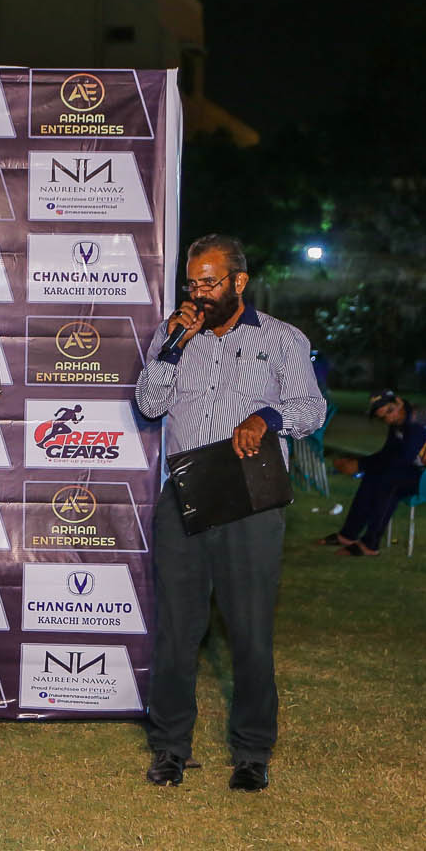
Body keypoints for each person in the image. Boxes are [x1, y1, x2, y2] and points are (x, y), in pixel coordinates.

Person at [133, 234, 326, 792]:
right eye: (192, 283)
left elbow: (312, 408)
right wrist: (173, 347)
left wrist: (267, 417)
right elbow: (149, 404)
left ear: (239, 282)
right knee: (178, 631)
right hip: (186, 497)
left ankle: (252, 752)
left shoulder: (283, 339)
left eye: (210, 282)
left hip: (251, 499)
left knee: (250, 631)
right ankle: (170, 747)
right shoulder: (173, 334)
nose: (199, 293)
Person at [320, 390, 426, 556]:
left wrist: (360, 465)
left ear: (399, 402)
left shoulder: (418, 421)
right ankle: (347, 536)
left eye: (390, 411)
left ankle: (370, 545)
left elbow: (403, 459)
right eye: (383, 417)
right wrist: (358, 464)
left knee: (390, 481)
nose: (389, 418)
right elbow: (388, 453)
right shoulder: (400, 420)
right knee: (375, 475)